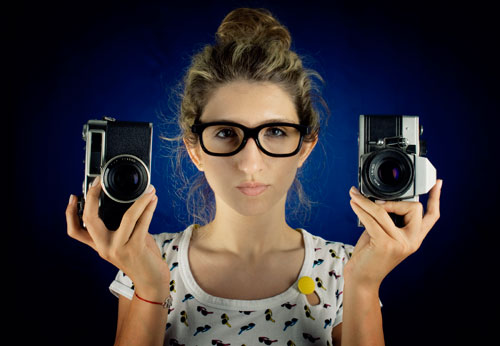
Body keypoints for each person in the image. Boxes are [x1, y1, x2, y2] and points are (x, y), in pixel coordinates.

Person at [65, 7, 442, 346]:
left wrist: (363, 284)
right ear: (195, 149)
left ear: (304, 147)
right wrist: (149, 285)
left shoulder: (347, 268)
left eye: (276, 132)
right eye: (226, 133)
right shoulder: (145, 258)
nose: (250, 163)